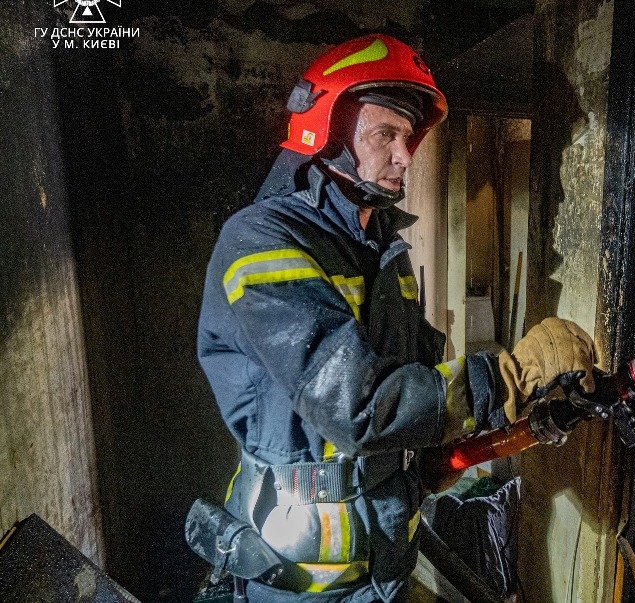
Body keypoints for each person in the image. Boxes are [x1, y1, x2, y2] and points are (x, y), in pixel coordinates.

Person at [196, 34, 597, 602]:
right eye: (385, 134)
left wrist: (435, 453)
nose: (405, 155)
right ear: (327, 132)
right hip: (297, 582)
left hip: (383, 562)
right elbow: (357, 407)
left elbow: (414, 378)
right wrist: (508, 376)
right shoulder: (262, 243)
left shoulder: (382, 249)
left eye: (408, 137)